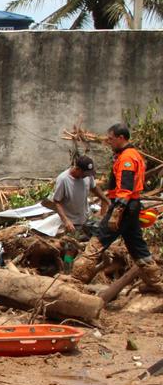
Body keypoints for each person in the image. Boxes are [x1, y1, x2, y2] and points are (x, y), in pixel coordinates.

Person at [70, 123, 163, 291]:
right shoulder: (132, 155)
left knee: (97, 242)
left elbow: (126, 187)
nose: (109, 141)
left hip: (124, 207)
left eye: (111, 139)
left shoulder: (127, 158)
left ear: (121, 138)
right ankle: (155, 282)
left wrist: (117, 212)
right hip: (132, 206)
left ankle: (76, 281)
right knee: (138, 246)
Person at [45, 154, 110, 240]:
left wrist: (105, 200)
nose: (87, 176)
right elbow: (57, 202)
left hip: (85, 218)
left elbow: (93, 187)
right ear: (77, 169)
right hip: (71, 222)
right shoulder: (63, 180)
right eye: (85, 173)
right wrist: (66, 220)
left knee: (92, 240)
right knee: (70, 246)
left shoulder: (87, 176)